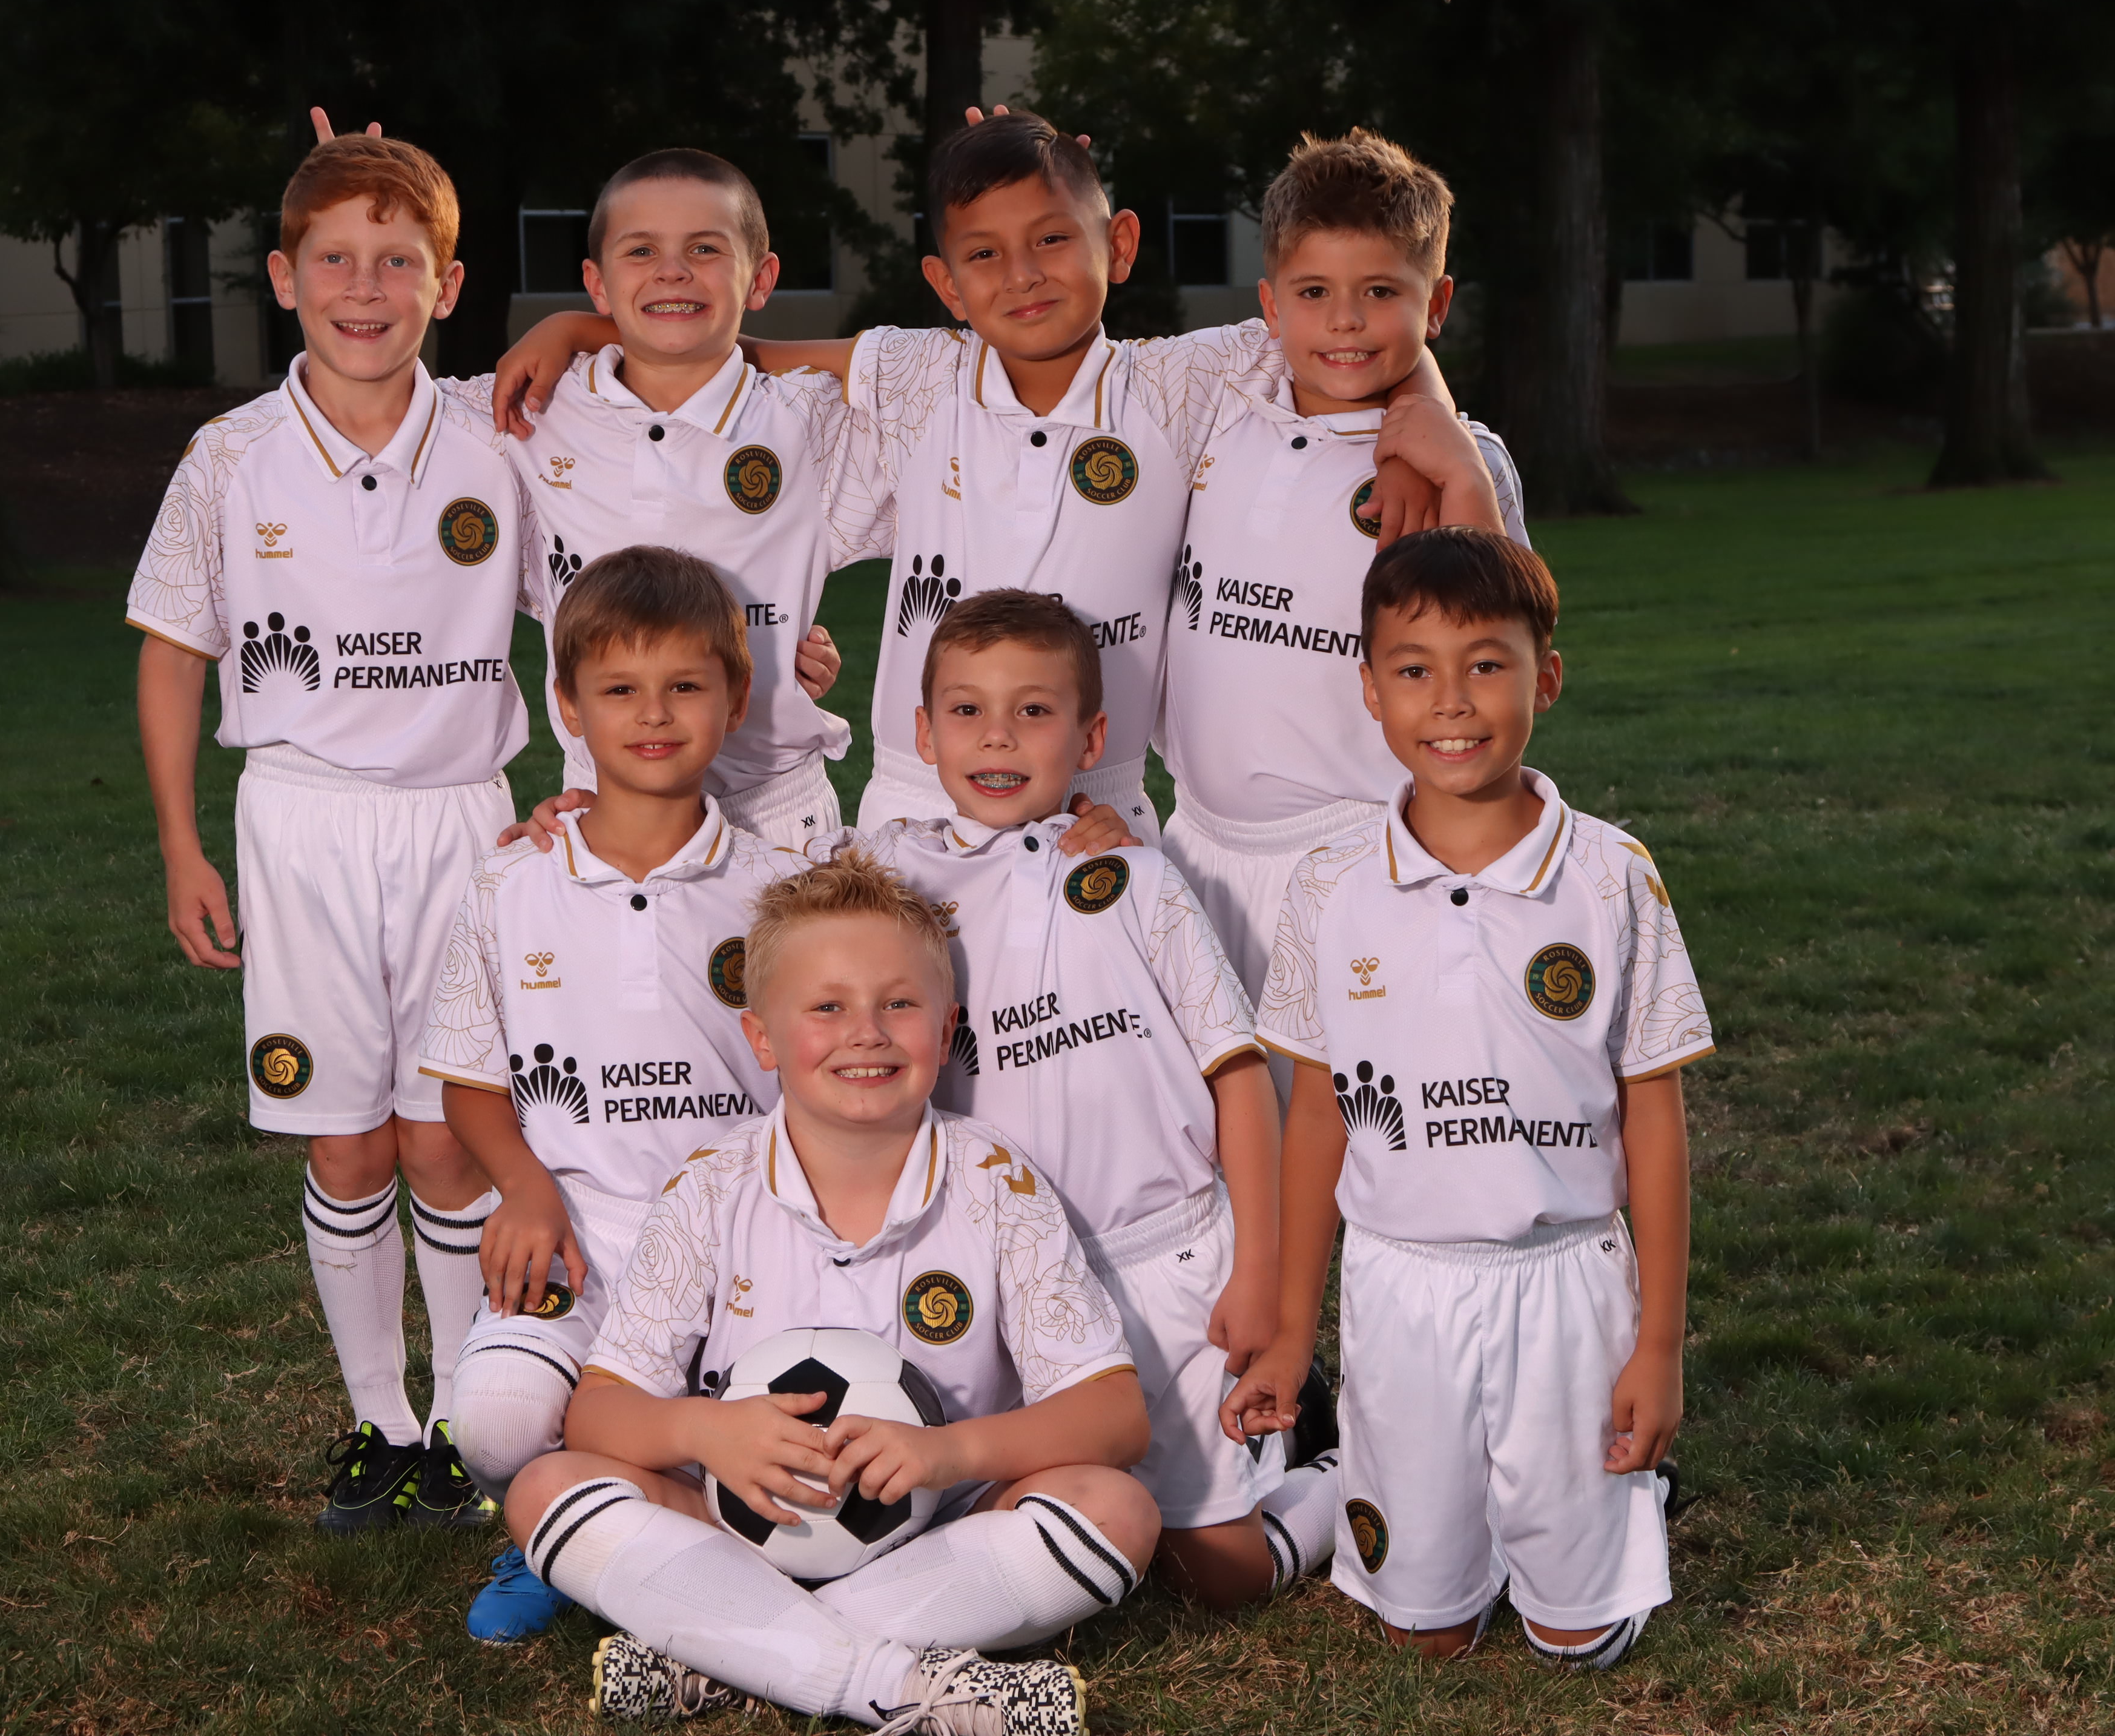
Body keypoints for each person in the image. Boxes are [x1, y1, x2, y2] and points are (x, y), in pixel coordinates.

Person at [492, 107, 1499, 844]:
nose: (1021, 275)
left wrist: (1429, 425)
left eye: (1053, 240)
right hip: (914, 799)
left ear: (1120, 244)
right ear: (945, 283)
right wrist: (581, 326)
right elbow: (729, 350)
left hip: (1098, 803)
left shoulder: (1181, 385)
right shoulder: (916, 375)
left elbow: (1356, 327)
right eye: (984, 254)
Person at [506, 854, 1156, 1732]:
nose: (867, 1033)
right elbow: (598, 1413)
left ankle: (731, 1654)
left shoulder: (996, 1181)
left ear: (946, 1028)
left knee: (1119, 1509)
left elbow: (1116, 1415)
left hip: (943, 1542)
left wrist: (950, 1453)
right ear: (762, 1039)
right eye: (827, 1008)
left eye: (899, 1003)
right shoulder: (711, 1185)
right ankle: (895, 1685)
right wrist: (704, 1432)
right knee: (545, 1488)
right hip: (735, 1535)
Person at [1226, 528, 1713, 1668]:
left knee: (1577, 1643)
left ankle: (1591, 1512)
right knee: (1429, 1637)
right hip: (1402, 1282)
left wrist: (1660, 1345)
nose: (1451, 701)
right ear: (1370, 688)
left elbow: (1653, 1115)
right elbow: (1319, 1116)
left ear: (1548, 676)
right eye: (1415, 669)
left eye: (1487, 665)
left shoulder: (1610, 875)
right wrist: (1292, 1334)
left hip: (1565, 1278)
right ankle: (1432, 1512)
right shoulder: (1330, 883)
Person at [127, 130, 516, 1534]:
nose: (365, 289)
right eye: (335, 260)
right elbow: (173, 653)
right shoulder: (230, 458)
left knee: (448, 1141)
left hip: (465, 827)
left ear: (446, 286)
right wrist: (182, 846)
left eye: (396, 262)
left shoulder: (501, 437)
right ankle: (377, 1421)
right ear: (285, 278)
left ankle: (469, 1424)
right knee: (346, 1145)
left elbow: (599, 606)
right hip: (299, 827)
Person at [826, 587, 1339, 1608]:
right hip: (1000, 1274)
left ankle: (1345, 1463)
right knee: (1007, 1513)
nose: (998, 737)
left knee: (1216, 1576)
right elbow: (771, 924)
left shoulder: (1136, 878)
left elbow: (1239, 1080)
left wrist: (1261, 1279)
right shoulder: (885, 875)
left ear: (1091, 737)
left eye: (1034, 711)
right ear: (924, 735)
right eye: (967, 711)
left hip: (1165, 1258)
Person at [415, 546, 803, 1641]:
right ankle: (552, 1524)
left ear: (735, 699)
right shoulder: (513, 879)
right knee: (493, 1422)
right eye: (620, 689)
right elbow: (470, 1083)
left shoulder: (778, 890)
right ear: (569, 706)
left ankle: (607, 1517)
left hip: (736, 1242)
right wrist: (525, 1189)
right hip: (578, 1234)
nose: (654, 715)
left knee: (790, 1438)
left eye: (685, 686)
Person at [1160, 130, 1527, 1018]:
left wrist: (1448, 458)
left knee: (1348, 1098)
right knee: (1217, 1100)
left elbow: (1495, 649)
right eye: (1314, 292)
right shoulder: (1224, 409)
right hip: (1192, 849)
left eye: (1381, 293)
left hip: (1356, 857)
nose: (1346, 321)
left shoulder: (1460, 466)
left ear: (1436, 304)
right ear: (1270, 304)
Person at [485, 145, 863, 850]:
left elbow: (953, 367)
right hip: (607, 806)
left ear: (761, 278)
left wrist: (579, 325)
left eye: (704, 249)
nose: (672, 270)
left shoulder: (809, 419)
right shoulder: (531, 413)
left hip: (777, 813)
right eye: (642, 251)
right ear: (597, 282)